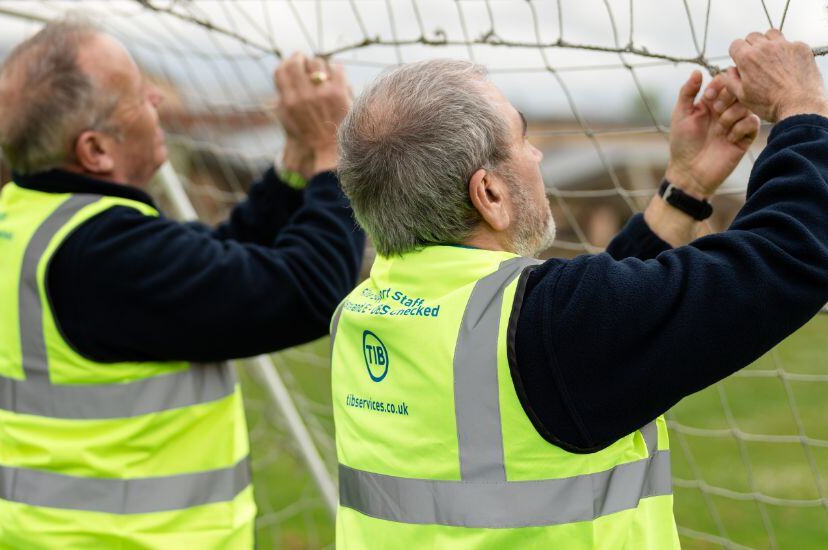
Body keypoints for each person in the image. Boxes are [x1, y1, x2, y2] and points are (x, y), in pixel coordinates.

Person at [330, 29, 828, 548]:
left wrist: (685, 188)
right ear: (490, 193)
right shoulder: (544, 328)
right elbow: (790, 255)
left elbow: (577, 345)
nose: (539, 155)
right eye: (522, 139)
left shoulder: (360, 313)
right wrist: (803, 108)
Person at [0, 20, 364, 548]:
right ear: (96, 151)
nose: (156, 97)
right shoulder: (102, 252)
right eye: (137, 96)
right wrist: (329, 153)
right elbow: (307, 291)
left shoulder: (37, 215)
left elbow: (210, 271)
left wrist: (294, 169)